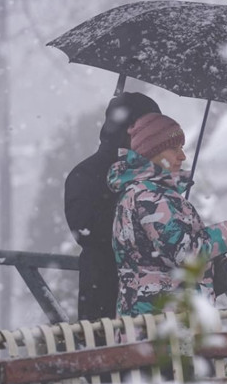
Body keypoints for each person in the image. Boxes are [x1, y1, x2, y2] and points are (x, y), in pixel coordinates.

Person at [107, 112, 227, 316]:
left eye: (181, 148)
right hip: (163, 323)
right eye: (173, 148)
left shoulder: (143, 192)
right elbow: (185, 254)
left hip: (153, 317)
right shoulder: (149, 198)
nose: (182, 156)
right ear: (151, 152)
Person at [64, 92, 161, 321]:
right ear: (130, 128)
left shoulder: (155, 173)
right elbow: (87, 232)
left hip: (152, 299)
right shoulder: (86, 174)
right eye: (150, 125)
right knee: (110, 353)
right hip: (105, 292)